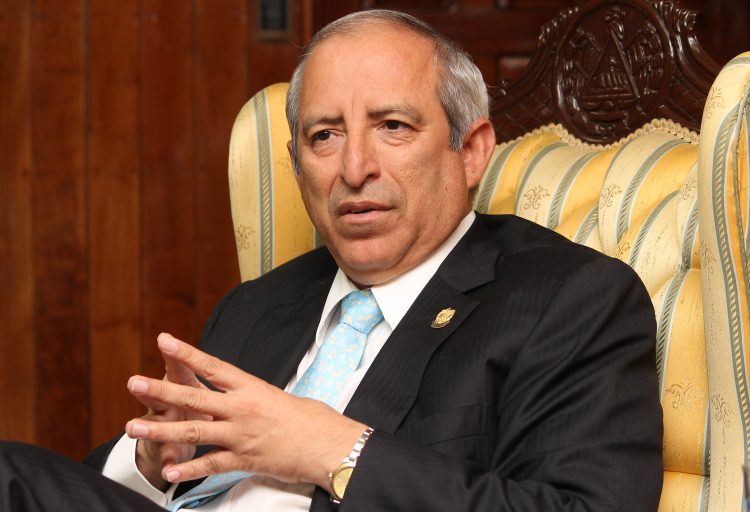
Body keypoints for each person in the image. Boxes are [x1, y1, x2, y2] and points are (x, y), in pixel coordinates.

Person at [0, 9, 663, 511]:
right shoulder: (258, 305)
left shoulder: (569, 299)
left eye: (393, 126)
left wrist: (337, 450)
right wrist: (152, 464)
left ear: (470, 152)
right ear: (297, 167)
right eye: (325, 136)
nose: (354, 168)